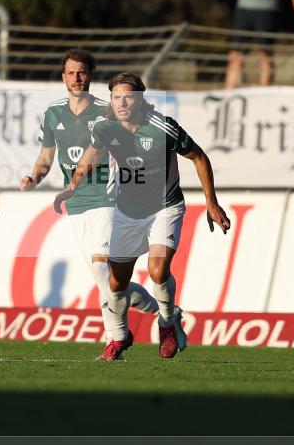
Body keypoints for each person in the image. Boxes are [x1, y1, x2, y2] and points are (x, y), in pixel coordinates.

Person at [53, 72, 230, 360]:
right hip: (127, 211)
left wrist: (211, 202)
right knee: (116, 283)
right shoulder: (105, 128)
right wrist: (71, 187)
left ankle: (167, 322)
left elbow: (198, 156)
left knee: (158, 270)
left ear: (140, 99)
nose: (122, 102)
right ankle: (120, 337)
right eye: (116, 96)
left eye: (129, 96)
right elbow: (91, 154)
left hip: (165, 206)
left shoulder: (162, 128)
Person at [21, 49, 161, 360]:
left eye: (81, 72)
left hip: (108, 197)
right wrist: (35, 177)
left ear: (90, 75)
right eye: (70, 72)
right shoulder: (53, 114)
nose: (76, 78)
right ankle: (162, 310)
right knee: (106, 278)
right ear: (63, 77)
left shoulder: (106, 111)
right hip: (77, 203)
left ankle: (117, 339)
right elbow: (46, 156)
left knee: (101, 270)